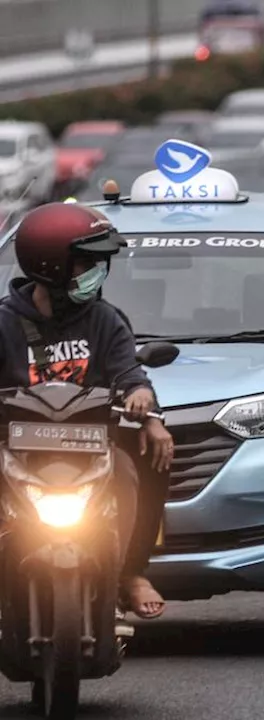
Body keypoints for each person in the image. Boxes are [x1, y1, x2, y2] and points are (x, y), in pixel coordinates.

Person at [1, 203, 175, 620]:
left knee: (152, 457)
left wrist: (146, 409)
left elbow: (130, 374)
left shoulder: (105, 319)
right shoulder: (4, 323)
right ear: (51, 266)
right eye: (87, 263)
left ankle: (131, 573)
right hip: (15, 448)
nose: (97, 271)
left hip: (93, 445)